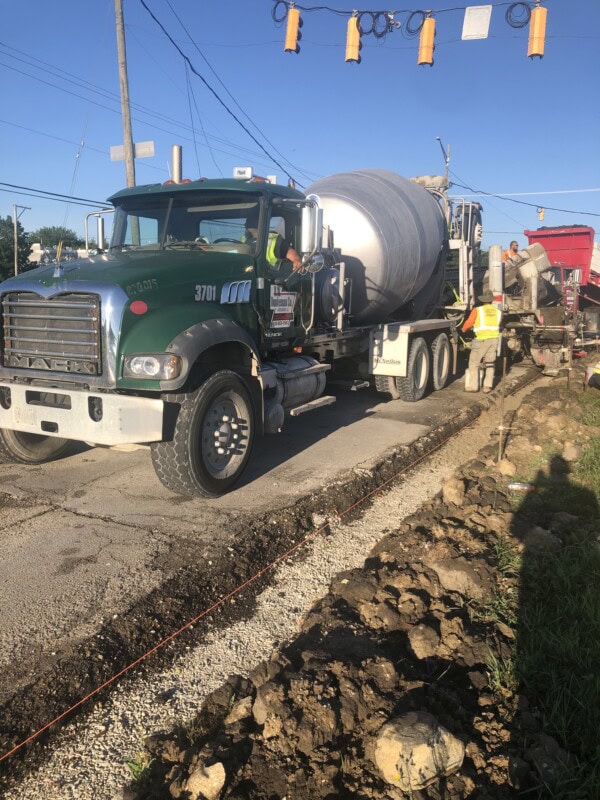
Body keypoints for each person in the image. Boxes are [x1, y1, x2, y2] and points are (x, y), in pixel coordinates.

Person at [461, 290, 502, 393]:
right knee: (490, 363)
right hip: (494, 340)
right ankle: (487, 386)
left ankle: (473, 386)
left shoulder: (477, 310)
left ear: (483, 300)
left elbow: (469, 323)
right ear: (492, 301)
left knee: (474, 362)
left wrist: (462, 330)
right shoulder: (498, 312)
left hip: (481, 340)